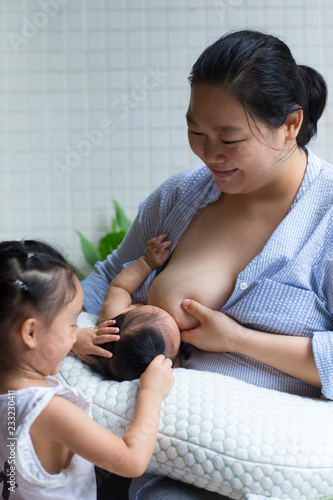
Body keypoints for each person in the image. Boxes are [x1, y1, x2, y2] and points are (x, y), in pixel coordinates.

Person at [81, 29, 333, 498]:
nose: (209, 154)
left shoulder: (327, 219)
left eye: (230, 139)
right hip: (151, 458)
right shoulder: (179, 198)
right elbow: (99, 284)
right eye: (196, 132)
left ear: (291, 124)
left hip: (268, 468)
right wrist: (77, 337)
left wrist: (237, 340)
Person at [0, 240, 174, 500]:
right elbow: (131, 460)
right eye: (72, 325)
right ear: (31, 332)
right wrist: (151, 393)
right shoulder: (50, 409)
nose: (75, 337)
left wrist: (72, 338)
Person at [73, 233, 181, 381]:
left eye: (154, 312)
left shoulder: (112, 313)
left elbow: (120, 287)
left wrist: (146, 263)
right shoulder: (173, 360)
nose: (163, 309)